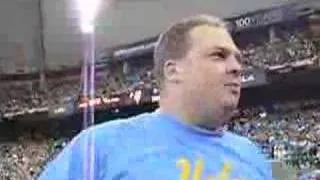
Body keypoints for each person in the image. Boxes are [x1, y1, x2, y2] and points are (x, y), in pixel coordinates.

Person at [39, 14, 273, 180]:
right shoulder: (100, 147)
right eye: (218, 56)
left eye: (238, 59)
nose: (235, 67)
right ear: (173, 71)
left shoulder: (252, 155)